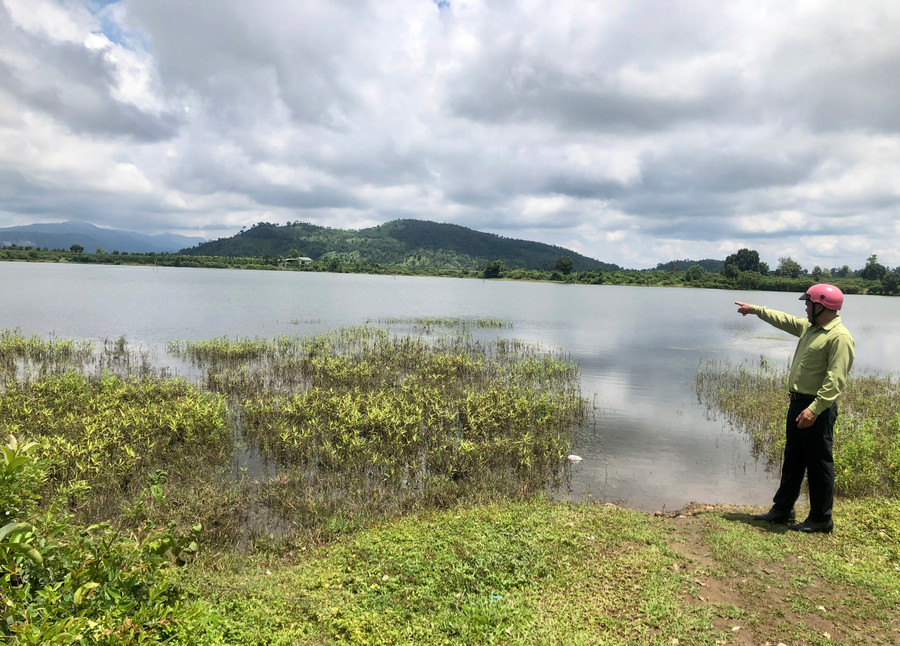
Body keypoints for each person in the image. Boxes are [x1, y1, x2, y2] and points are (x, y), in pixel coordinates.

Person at [734, 284, 854, 534]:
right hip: (798, 402)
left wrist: (814, 409)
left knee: (819, 463)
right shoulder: (811, 328)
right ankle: (783, 510)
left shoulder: (839, 337)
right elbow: (785, 320)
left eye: (808, 304)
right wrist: (755, 310)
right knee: (793, 458)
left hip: (816, 407)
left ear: (822, 306)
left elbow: (836, 380)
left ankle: (821, 519)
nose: (805, 307)